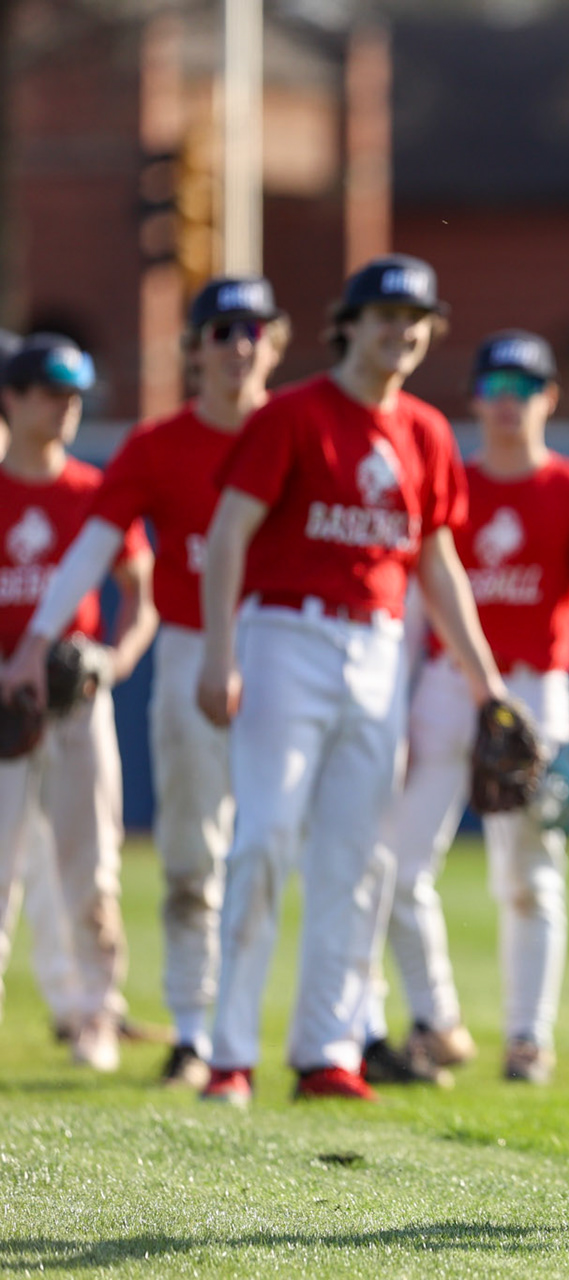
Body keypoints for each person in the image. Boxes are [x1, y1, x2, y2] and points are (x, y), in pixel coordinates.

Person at [194, 254, 510, 1106]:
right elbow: (227, 538)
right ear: (349, 325)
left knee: (361, 856)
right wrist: (218, 653)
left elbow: (437, 564)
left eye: (417, 320)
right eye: (386, 317)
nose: (402, 333)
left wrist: (485, 684)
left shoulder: (428, 432)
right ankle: (228, 1053)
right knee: (263, 839)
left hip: (378, 649)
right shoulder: (292, 415)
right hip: (283, 634)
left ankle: (328, 1050)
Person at [0, 278, 288, 1088]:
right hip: (86, 674)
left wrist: (109, 661)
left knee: (280, 850)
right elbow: (96, 559)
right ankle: (192, 1030)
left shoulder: (295, 427)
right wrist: (32, 653)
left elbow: (137, 588)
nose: (240, 345)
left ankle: (330, 1031)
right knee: (180, 855)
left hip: (255, 649)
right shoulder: (155, 451)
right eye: (222, 330)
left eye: (253, 329)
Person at [364, 329, 569, 1088]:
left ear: (549, 398)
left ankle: (527, 1038)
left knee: (529, 877)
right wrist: (401, 711)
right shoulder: (452, 481)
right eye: (495, 389)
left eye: (524, 390)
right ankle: (437, 1020)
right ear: (476, 398)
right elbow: (418, 606)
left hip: (536, 691)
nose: (508, 404)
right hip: (449, 688)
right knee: (394, 861)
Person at [0, 335, 158, 1070]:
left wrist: (118, 661)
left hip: (76, 700)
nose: (64, 407)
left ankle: (97, 1014)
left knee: (91, 864)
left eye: (73, 395)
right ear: (14, 396)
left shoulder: (94, 493)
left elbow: (142, 595)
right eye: (49, 392)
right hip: (4, 701)